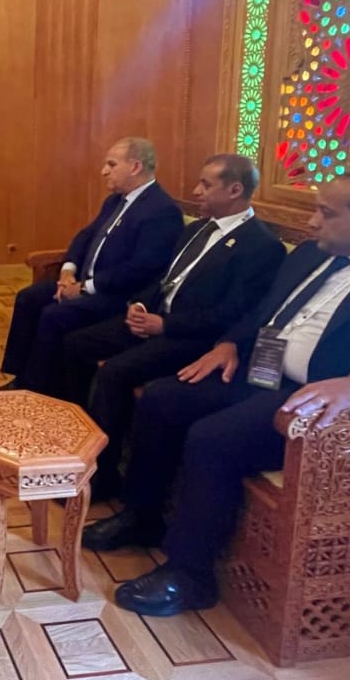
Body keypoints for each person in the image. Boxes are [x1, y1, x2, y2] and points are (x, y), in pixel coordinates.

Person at [83, 170, 350, 617]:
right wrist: (229, 343)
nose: (311, 222)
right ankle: (142, 516)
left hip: (316, 407)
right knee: (163, 399)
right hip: (261, 373)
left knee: (212, 438)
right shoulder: (313, 254)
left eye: (326, 213)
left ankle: (190, 575)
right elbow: (263, 313)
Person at [60, 154, 286, 498]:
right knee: (75, 344)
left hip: (193, 338)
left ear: (235, 190)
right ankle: (74, 442)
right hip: (154, 320)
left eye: (206, 185)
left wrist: (165, 325)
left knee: (115, 373)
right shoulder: (197, 229)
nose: (196, 191)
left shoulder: (261, 246)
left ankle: (103, 477)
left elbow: (233, 314)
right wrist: (140, 305)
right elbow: (164, 280)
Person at [0, 137, 183, 395]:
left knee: (54, 315)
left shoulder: (161, 211)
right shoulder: (115, 200)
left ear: (135, 167)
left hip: (119, 296)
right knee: (29, 298)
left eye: (111, 164)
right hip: (87, 283)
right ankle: (21, 378)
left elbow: (142, 269)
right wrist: (68, 271)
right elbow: (85, 237)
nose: (104, 171)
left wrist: (85, 288)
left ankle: (40, 391)